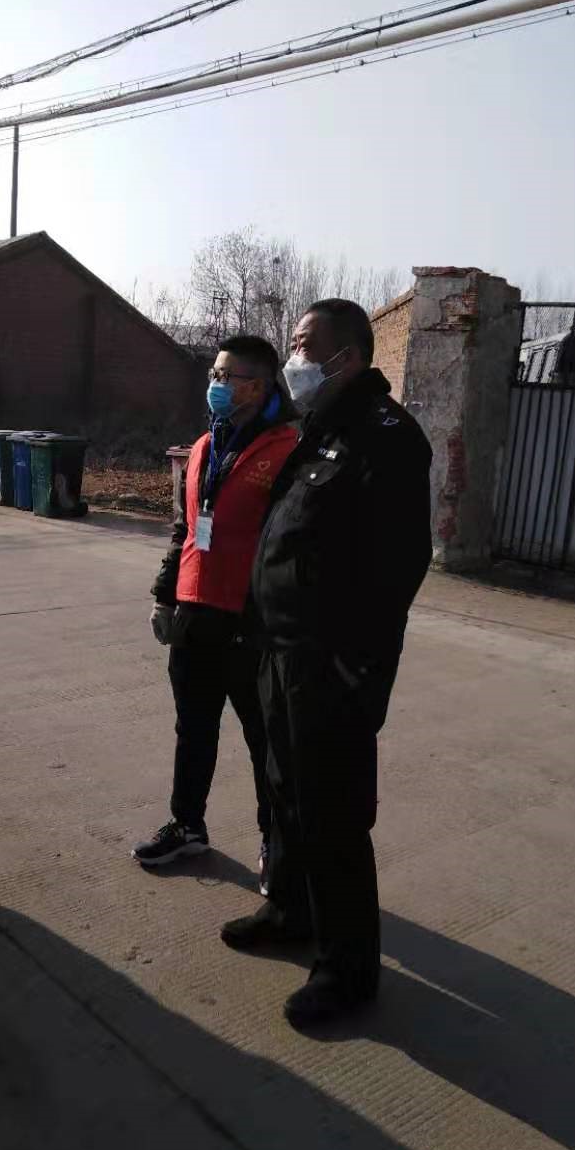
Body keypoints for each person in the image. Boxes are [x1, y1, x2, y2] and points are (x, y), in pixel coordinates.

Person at [221, 299, 433, 1030]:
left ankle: (347, 970)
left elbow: (397, 569)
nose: (295, 357)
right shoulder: (319, 429)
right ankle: (290, 911)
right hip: (280, 657)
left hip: (329, 670)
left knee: (333, 817)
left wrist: (352, 669)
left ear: (348, 355)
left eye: (306, 344)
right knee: (285, 794)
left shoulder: (387, 437)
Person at [132, 335, 298, 886]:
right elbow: (185, 527)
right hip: (194, 615)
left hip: (251, 624)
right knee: (193, 729)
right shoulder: (205, 445)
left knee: (264, 742)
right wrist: (165, 594)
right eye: (215, 375)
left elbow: (292, 547)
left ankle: (275, 843)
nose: (216, 385)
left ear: (258, 386)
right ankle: (187, 825)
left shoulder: (289, 450)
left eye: (227, 377)